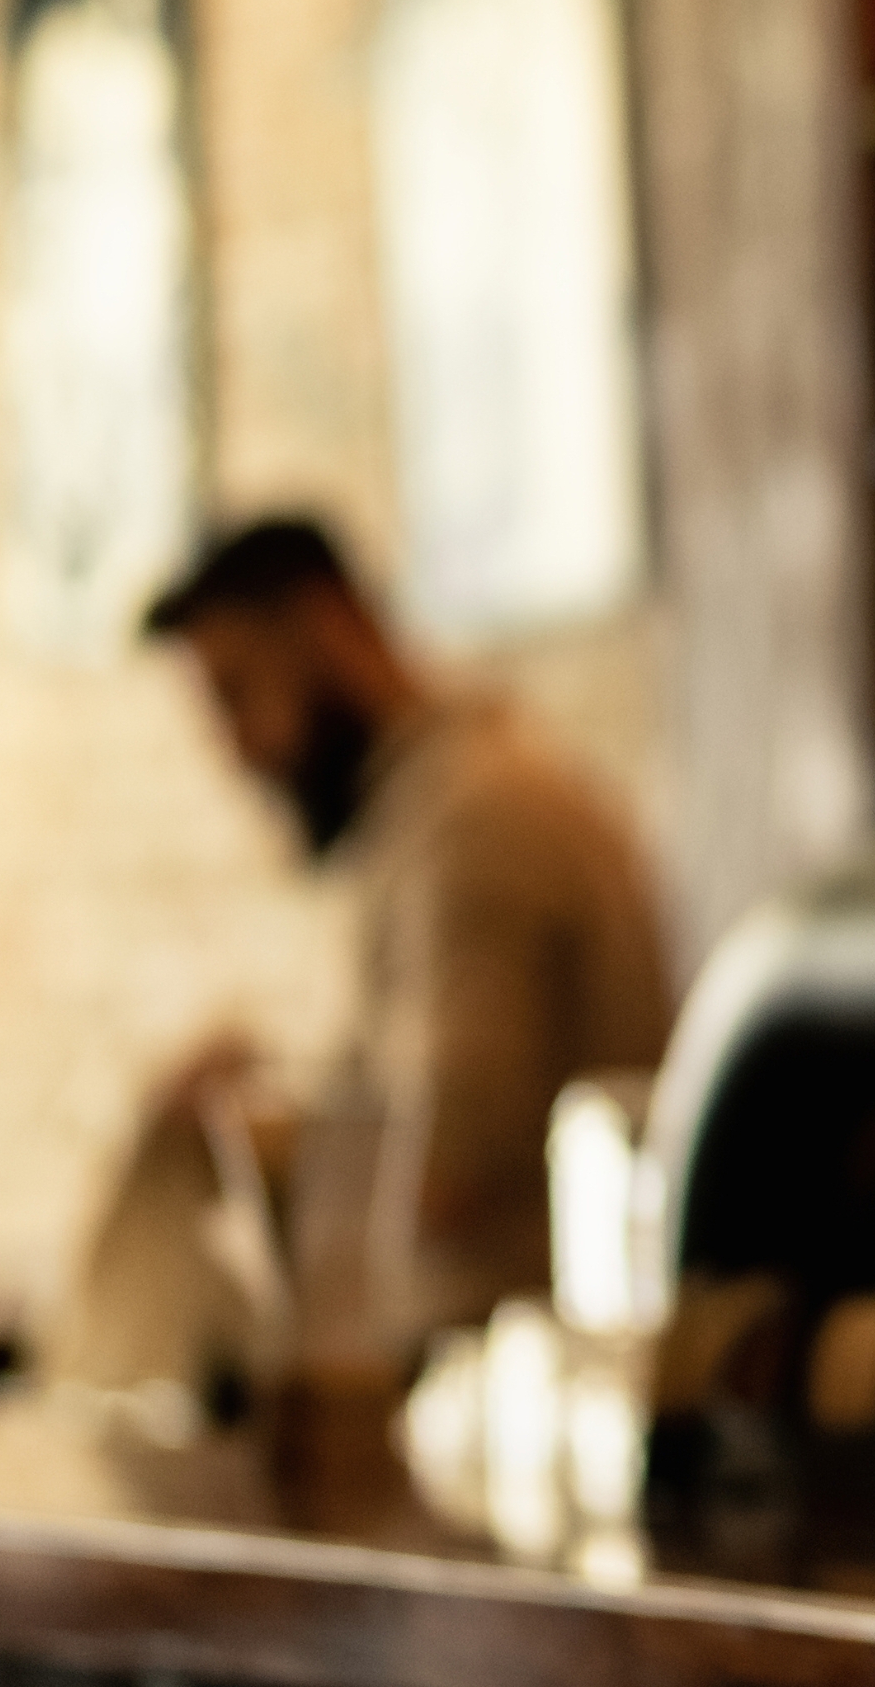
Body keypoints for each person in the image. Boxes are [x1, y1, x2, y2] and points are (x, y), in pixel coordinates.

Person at [49, 517, 673, 1403]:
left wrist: (242, 1136)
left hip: (502, 1396)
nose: (233, 747)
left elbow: (439, 1165)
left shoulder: (474, 826)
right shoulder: (444, 811)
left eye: (236, 692)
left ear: (328, 629)